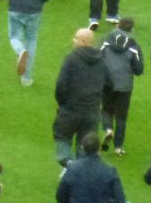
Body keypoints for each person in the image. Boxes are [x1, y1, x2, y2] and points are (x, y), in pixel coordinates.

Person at [53, 28, 108, 170]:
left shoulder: (71, 58)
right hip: (92, 111)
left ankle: (68, 165)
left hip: (70, 109)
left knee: (62, 136)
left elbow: (61, 85)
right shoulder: (101, 61)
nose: (73, 40)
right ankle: (80, 170)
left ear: (84, 41)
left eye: (76, 38)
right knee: (85, 144)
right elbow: (110, 84)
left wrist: (62, 102)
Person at [99, 18, 143, 157]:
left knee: (106, 110)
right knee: (121, 116)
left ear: (118, 25)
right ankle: (118, 147)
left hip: (107, 83)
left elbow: (97, 58)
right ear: (132, 30)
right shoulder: (134, 46)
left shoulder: (105, 40)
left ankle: (108, 130)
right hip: (124, 86)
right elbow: (139, 69)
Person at [55, 132, 126, 203]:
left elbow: (60, 196)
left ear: (82, 148)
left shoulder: (72, 168)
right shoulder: (110, 171)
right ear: (99, 148)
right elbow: (120, 199)